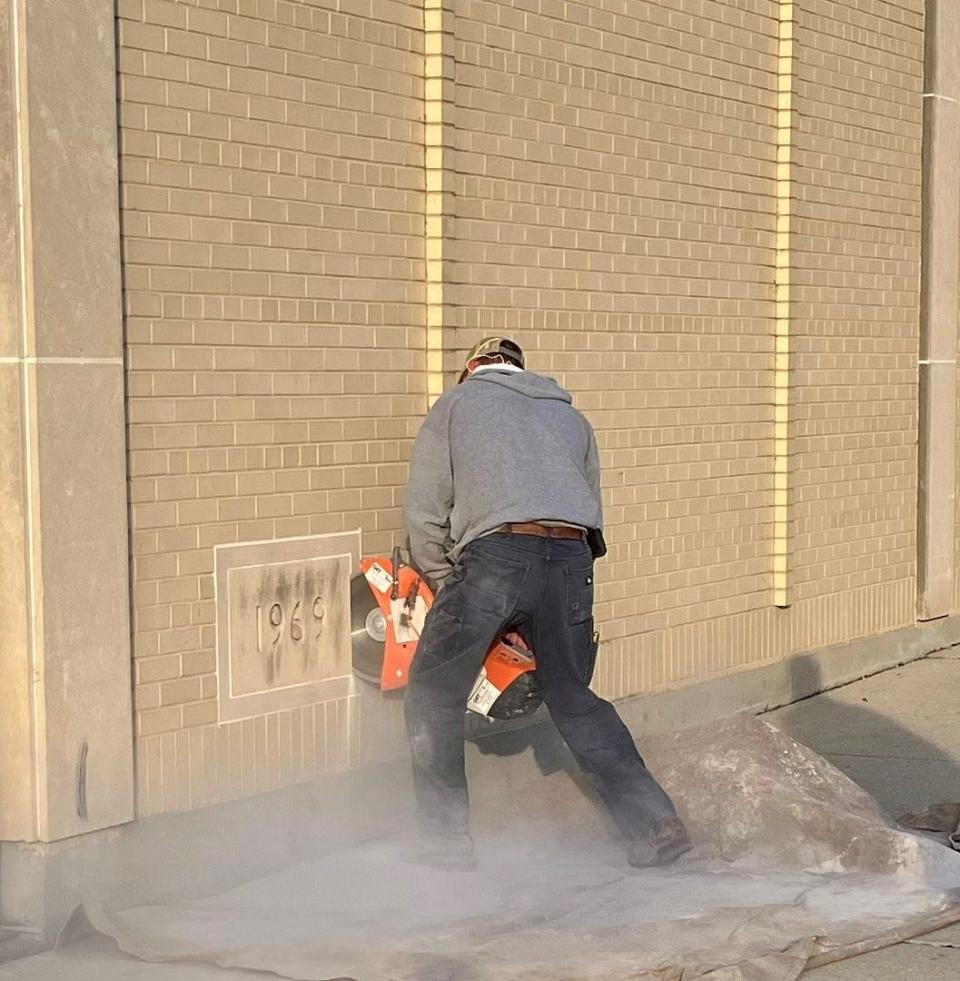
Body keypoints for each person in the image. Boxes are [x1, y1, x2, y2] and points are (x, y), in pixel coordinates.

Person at [403, 336, 690, 869]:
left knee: (433, 693)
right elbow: (591, 503)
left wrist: (448, 581)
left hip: (496, 551)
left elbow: (425, 513)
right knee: (573, 697)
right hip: (572, 555)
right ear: (521, 372)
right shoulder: (571, 417)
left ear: (472, 370)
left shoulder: (457, 405)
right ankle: (655, 823)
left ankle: (444, 845)